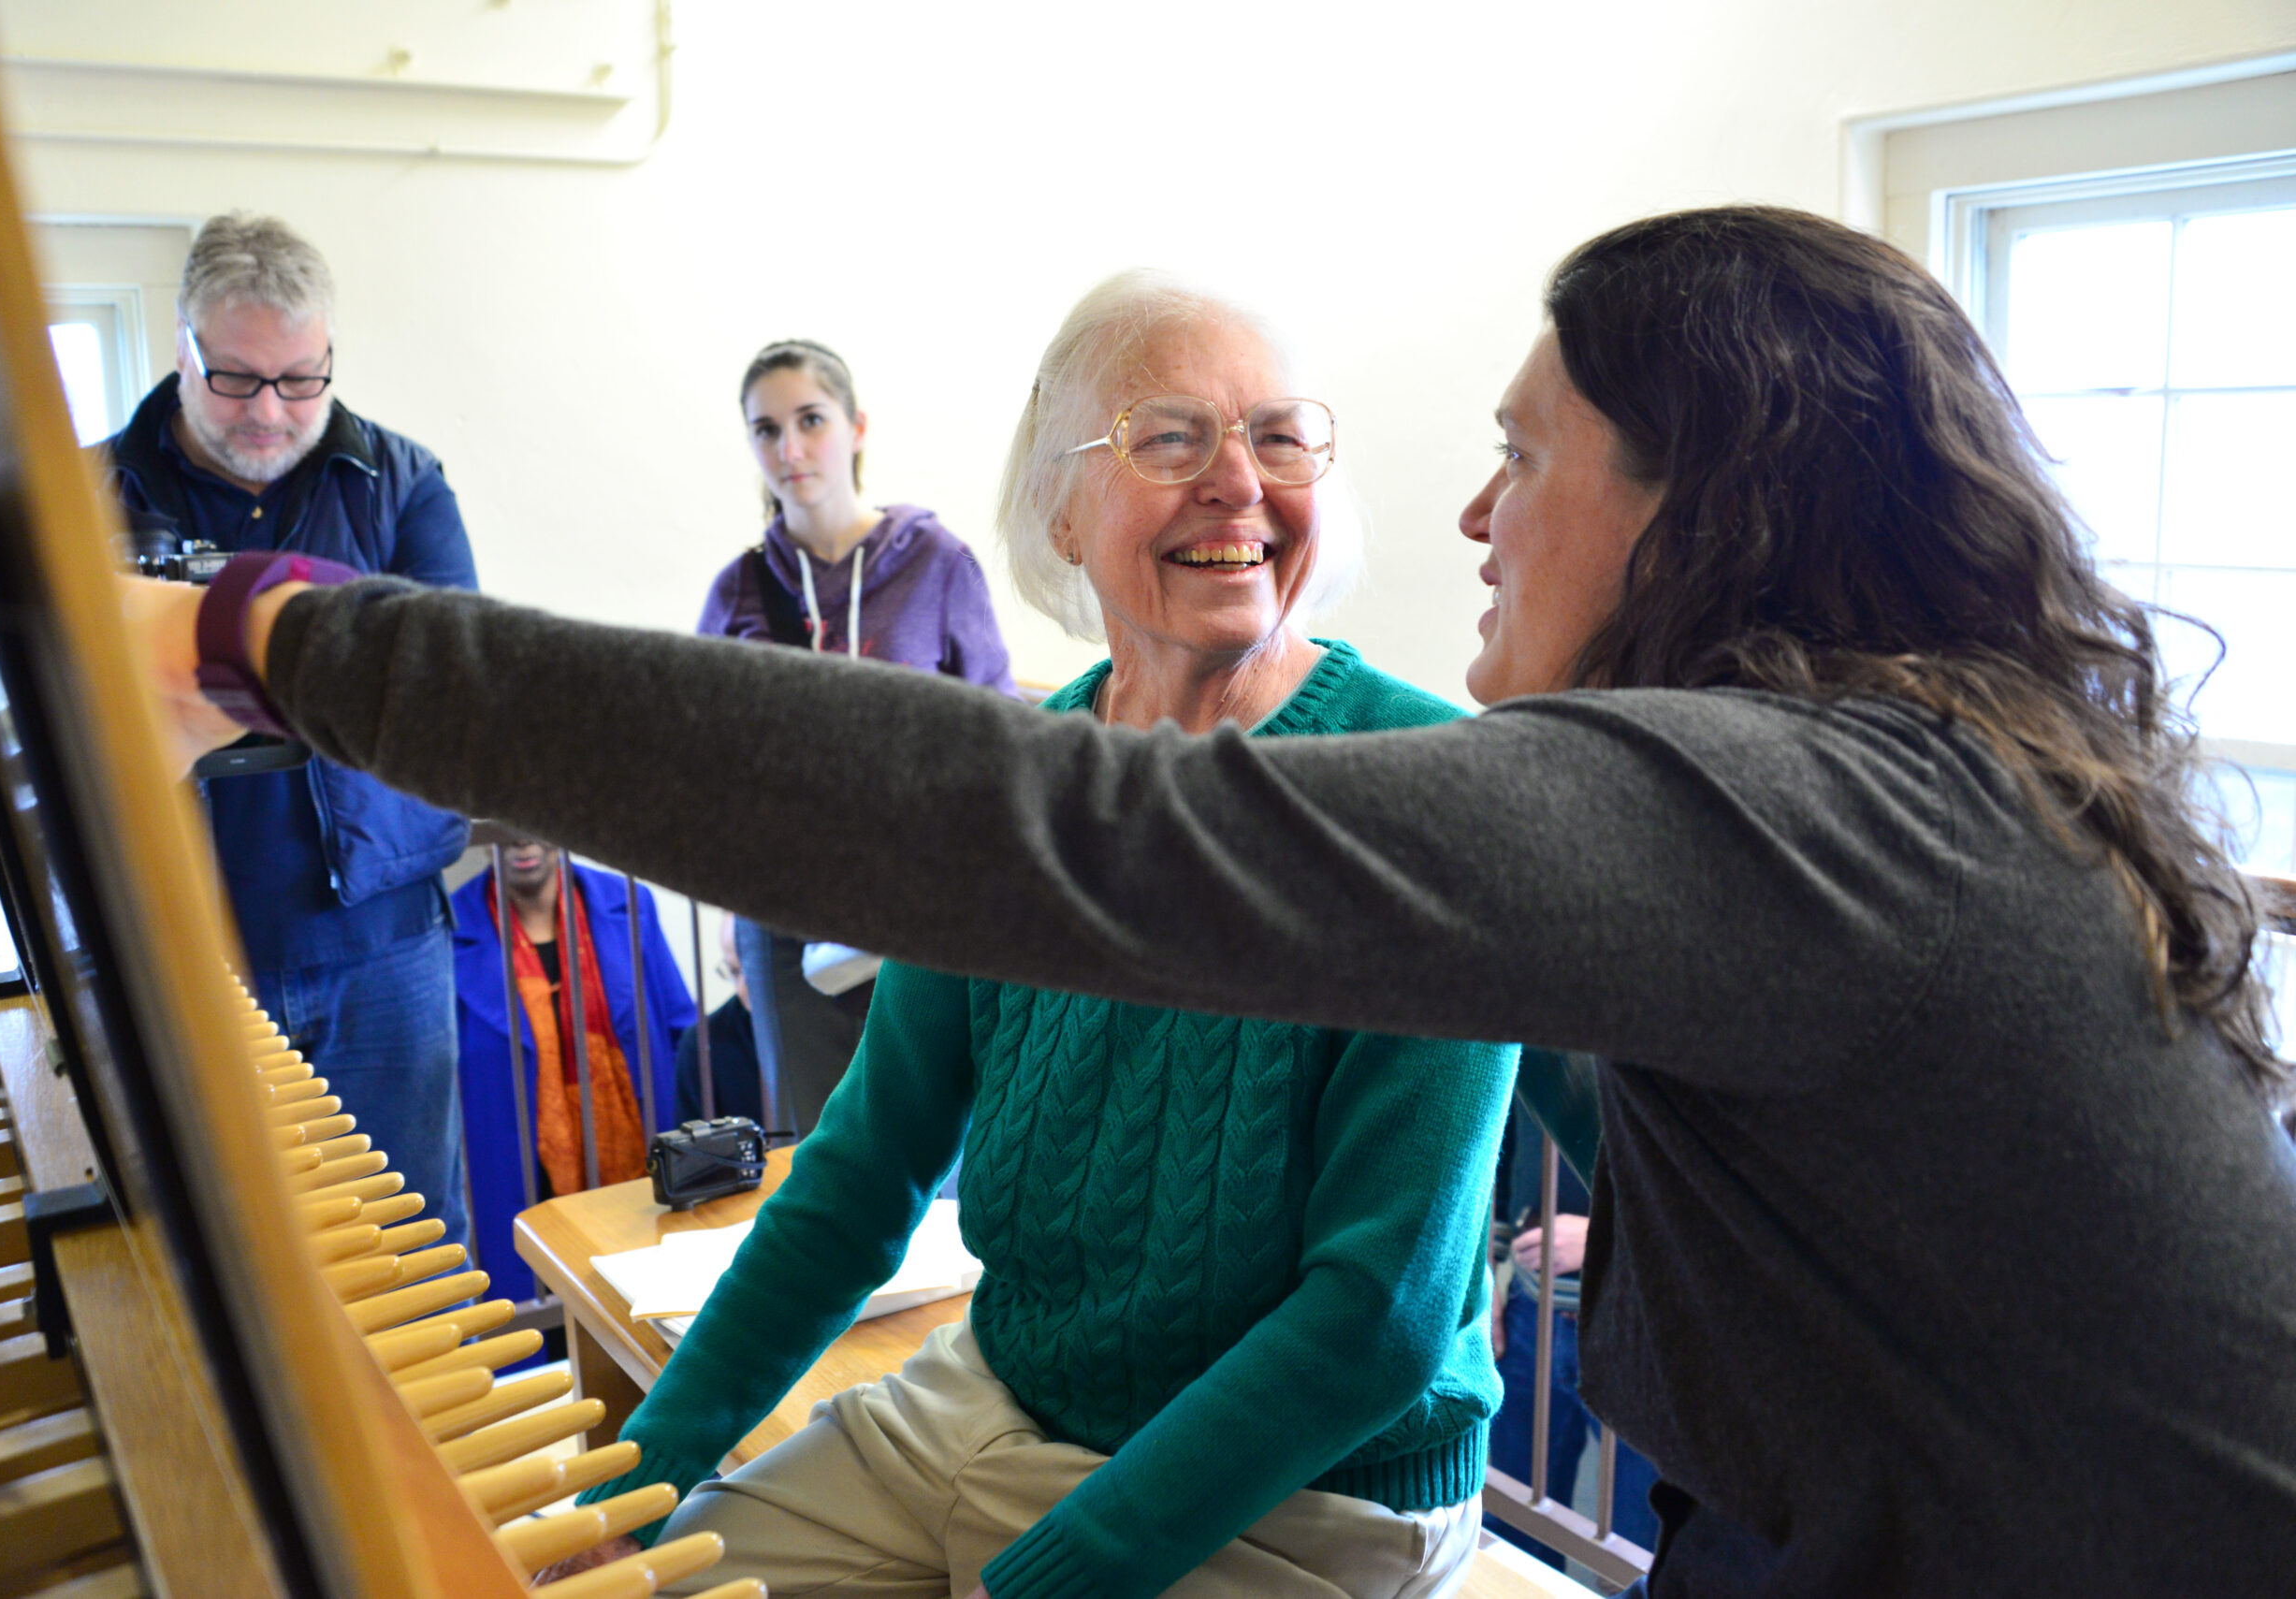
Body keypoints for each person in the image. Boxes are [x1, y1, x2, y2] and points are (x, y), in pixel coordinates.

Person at [146, 204, 2296, 1599]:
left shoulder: (1767, 807)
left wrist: (265, 637)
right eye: (1173, 438)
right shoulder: (1867, 784)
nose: (1462, 508)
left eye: (1522, 458)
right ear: (1065, 497)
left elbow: (1049, 851)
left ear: (1698, 509)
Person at [562, 273, 1521, 1598]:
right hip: (990, 1400)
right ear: (1060, 509)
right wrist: (635, 1478)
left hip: (1295, 1499)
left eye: (1280, 437)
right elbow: (860, 1174)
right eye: (1170, 437)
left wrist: (1051, 1576)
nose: (1239, 484)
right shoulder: (1010, 791)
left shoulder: (1429, 790)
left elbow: (1380, 1322)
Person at [104, 211, 478, 1257]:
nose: (271, 411)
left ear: (328, 357)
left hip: (380, 936)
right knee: (212, 1259)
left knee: (410, 1243)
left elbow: (444, 679)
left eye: (300, 378)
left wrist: (191, 645)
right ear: (183, 346)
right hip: (173, 944)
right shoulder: (92, 493)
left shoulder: (404, 482)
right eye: (236, 378)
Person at [703, 339, 1017, 1138]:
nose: (791, 448)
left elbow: (998, 734)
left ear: (856, 427)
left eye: (810, 419)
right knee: (814, 1150)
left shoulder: (935, 565)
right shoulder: (739, 591)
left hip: (921, 904)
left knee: (930, 1143)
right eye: (766, 430)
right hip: (784, 915)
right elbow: (704, 765)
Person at [450, 836, 695, 1306]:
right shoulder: (451, 925)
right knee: (533, 1319)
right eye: (505, 818)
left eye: (532, 814)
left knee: (646, 1309)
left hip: (636, 1159)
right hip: (515, 1168)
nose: (520, 834)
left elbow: (679, 1028)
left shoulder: (627, 901)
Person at [1486, 1064, 1659, 1566]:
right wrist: (1483, 1280)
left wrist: (1602, 1235)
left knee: (1636, 1550)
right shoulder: (1540, 1018)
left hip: (1638, 1330)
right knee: (1513, 1534)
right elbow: (1503, 1146)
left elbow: (1705, 1191)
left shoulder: (1678, 1031)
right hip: (1528, 1315)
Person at [672, 916, 763, 1127]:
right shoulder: (703, 1044)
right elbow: (693, 1155)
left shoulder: (842, 1023)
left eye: (754, 969)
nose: (743, 988)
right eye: (734, 971)